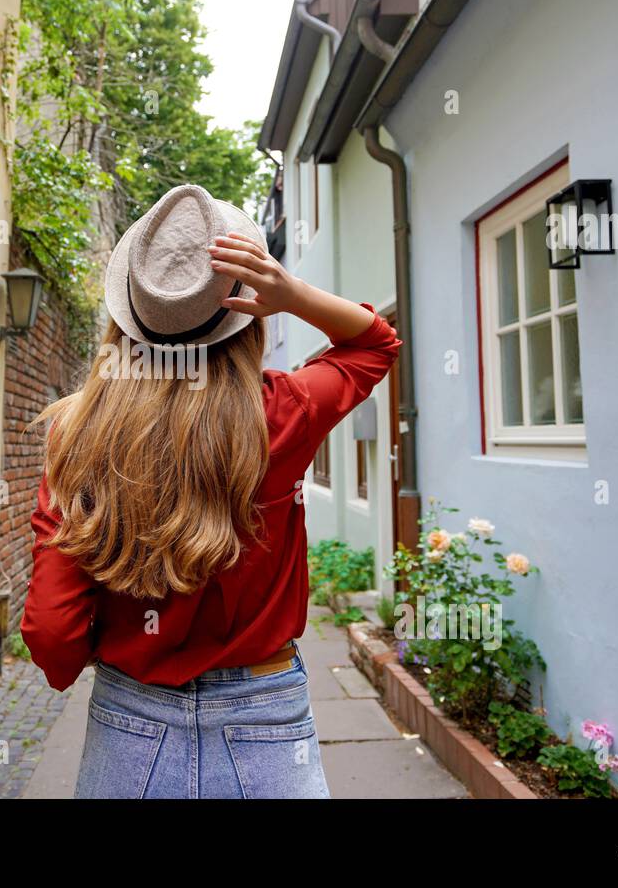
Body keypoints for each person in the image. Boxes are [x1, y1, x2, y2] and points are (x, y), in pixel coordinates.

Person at [21, 183, 402, 798]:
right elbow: (374, 343)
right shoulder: (281, 411)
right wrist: (292, 295)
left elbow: (50, 631)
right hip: (266, 717)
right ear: (245, 317)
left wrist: (98, 660)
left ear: (130, 320)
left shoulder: (77, 432)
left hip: (130, 722)